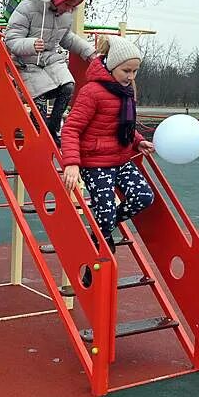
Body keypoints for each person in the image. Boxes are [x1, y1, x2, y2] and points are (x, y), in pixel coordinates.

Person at [61, 35, 156, 254]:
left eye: (135, 71)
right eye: (126, 71)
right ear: (112, 66)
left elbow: (122, 125)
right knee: (104, 210)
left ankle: (100, 233)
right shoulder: (91, 92)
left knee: (143, 196)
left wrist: (138, 142)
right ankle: (99, 253)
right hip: (95, 162)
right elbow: (71, 129)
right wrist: (72, 163)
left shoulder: (127, 92)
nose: (131, 76)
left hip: (120, 159)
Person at [5, 0, 97, 146]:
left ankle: (53, 127)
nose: (69, 10)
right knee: (39, 95)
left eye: (73, 7)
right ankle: (38, 127)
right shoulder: (28, 6)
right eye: (68, 5)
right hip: (27, 62)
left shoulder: (64, 14)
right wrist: (30, 44)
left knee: (68, 86)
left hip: (49, 59)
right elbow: (12, 39)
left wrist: (88, 52)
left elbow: (65, 37)